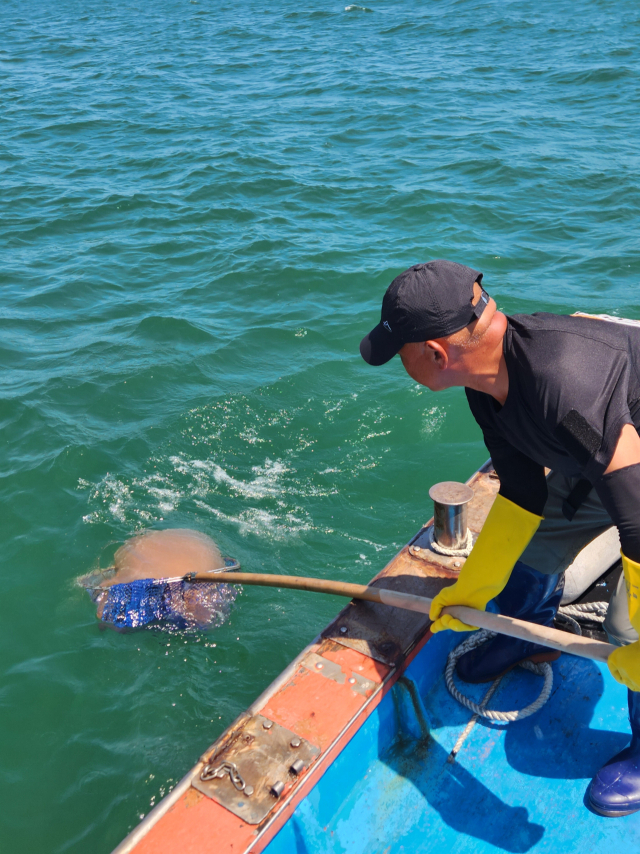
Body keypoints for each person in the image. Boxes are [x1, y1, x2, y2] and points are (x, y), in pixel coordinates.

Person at [360, 259, 640, 817]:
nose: (401, 366)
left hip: (631, 481)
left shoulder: (565, 383)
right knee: (532, 555)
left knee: (625, 627)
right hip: (603, 463)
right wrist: (473, 590)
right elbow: (522, 496)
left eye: (401, 355)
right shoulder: (486, 385)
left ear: (435, 353)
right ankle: (529, 632)